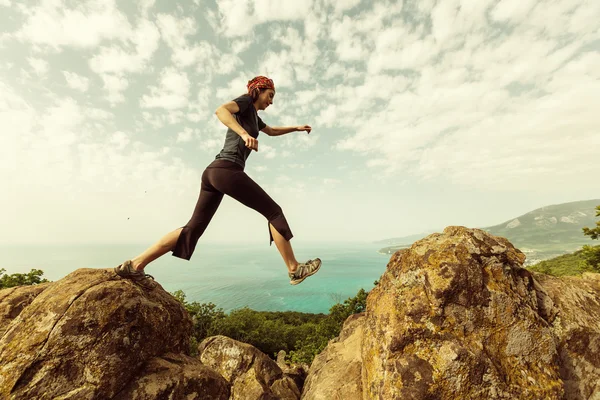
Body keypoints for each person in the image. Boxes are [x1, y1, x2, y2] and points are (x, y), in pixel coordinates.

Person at [114, 76, 321, 288]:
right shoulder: (245, 102)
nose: (272, 101)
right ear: (258, 90)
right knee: (274, 212)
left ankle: (135, 265)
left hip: (213, 173)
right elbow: (221, 110)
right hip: (226, 170)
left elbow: (271, 131)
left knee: (193, 228)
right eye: (270, 95)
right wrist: (243, 134)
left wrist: (296, 128)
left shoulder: (254, 117)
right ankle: (294, 269)